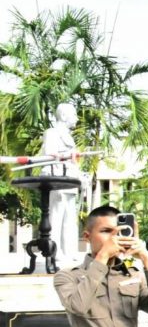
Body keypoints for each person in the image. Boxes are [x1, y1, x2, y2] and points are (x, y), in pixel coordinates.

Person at [40, 102, 90, 264]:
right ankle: (54, 251)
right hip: (57, 179)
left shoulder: (69, 137)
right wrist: (65, 155)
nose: (76, 118)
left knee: (70, 218)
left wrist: (80, 175)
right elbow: (49, 154)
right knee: (56, 216)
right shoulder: (52, 133)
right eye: (74, 114)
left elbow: (72, 162)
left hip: (70, 180)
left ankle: (70, 251)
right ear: (63, 115)